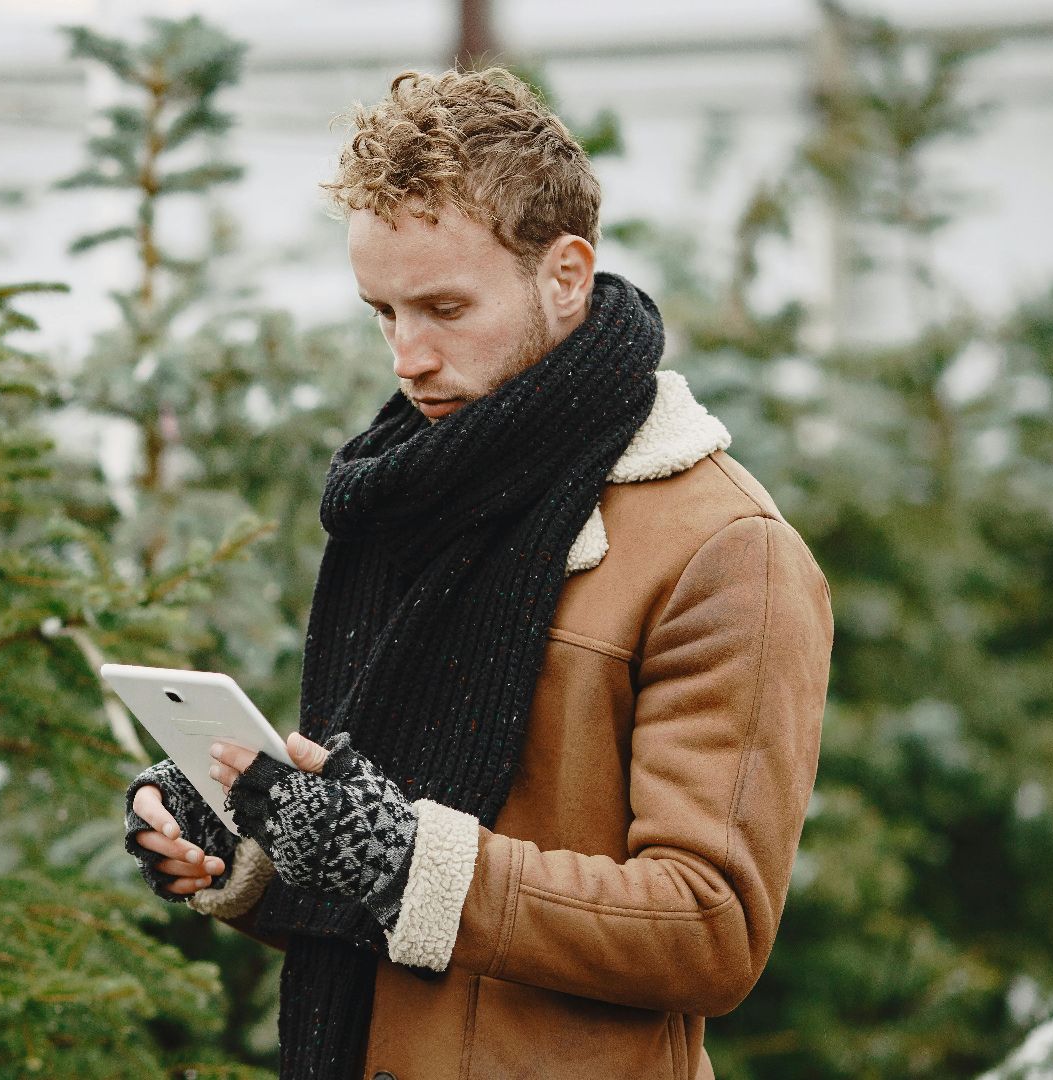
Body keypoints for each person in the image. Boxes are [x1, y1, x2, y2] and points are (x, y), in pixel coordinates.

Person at [124, 67, 833, 1080]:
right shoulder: (412, 501)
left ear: (566, 274)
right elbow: (397, 917)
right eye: (383, 312)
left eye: (445, 307)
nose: (407, 358)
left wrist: (402, 859)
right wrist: (248, 848)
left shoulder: (726, 552)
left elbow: (709, 929)